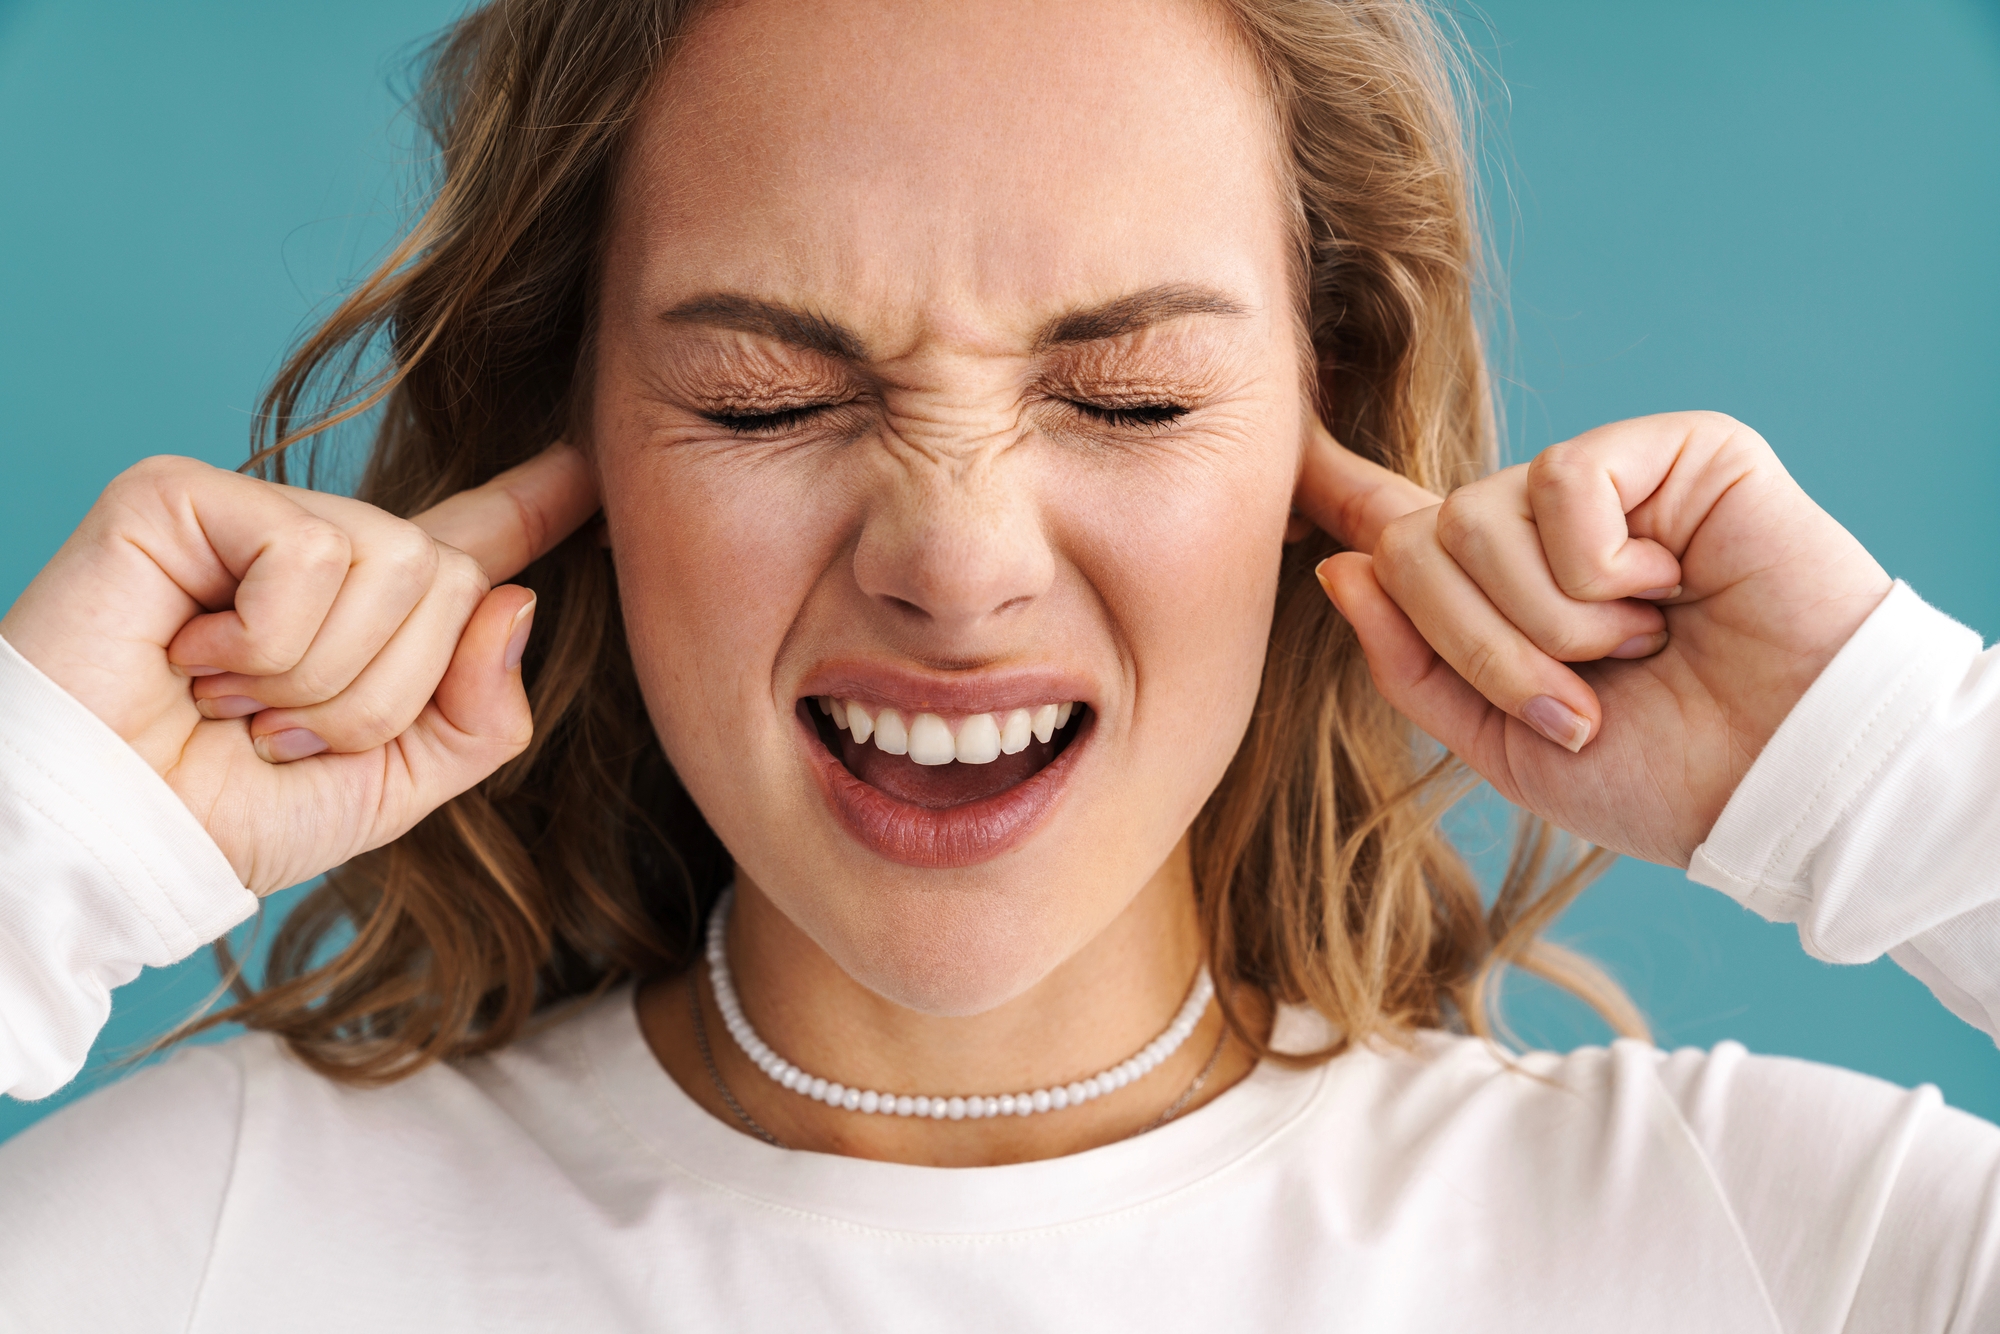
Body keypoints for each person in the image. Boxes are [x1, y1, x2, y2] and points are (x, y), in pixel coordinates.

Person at [1, 0, 1996, 1329]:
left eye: (1124, 397)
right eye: (769, 400)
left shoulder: (1772, 1248)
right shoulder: (206, 1243)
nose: (951, 566)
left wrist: (1903, 781)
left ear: (1333, 427)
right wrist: (39, 830)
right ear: (579, 437)